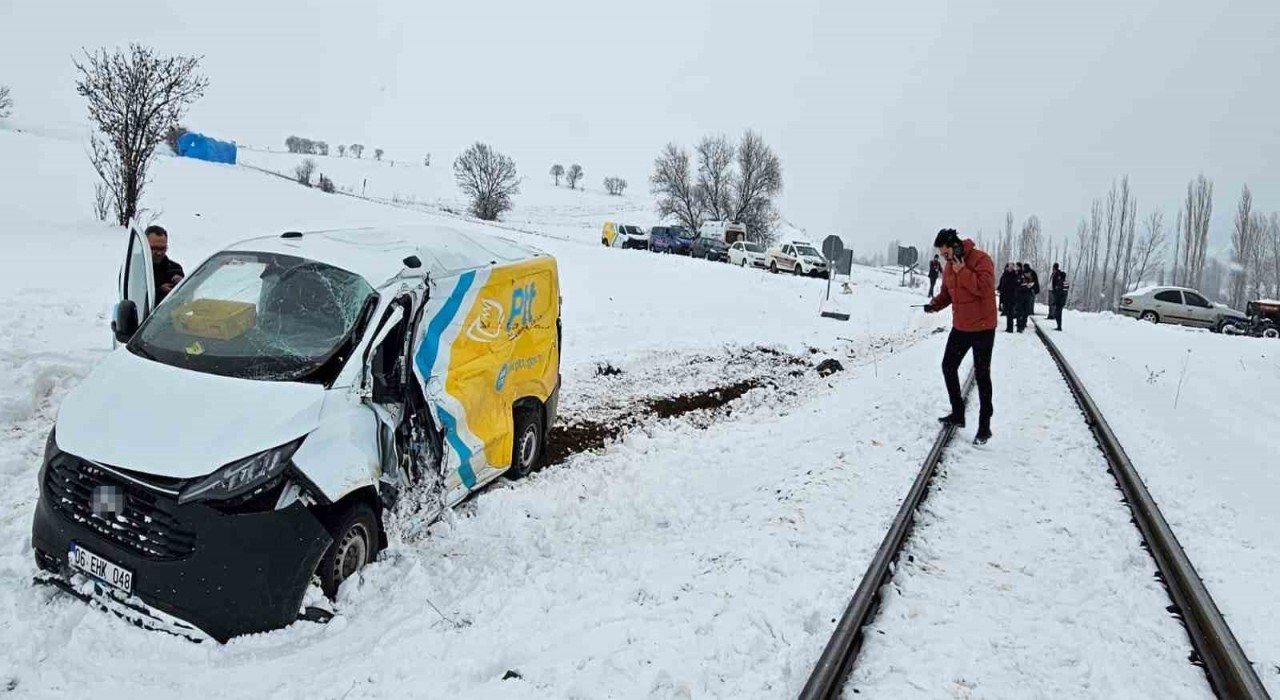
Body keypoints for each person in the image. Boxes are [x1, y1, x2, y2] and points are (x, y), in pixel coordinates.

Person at [924, 228, 997, 445]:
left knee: (982, 375)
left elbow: (984, 288)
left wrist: (963, 270)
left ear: (955, 246)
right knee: (948, 366)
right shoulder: (949, 267)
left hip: (983, 327)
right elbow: (948, 294)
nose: (945, 259)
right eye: (942, 255)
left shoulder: (981, 259)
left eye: (946, 253)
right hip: (961, 327)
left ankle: (984, 426)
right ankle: (958, 413)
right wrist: (935, 305)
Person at [147, 225, 185, 304]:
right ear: (145, 246)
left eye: (162, 249)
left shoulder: (175, 268)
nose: (159, 253)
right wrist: (159, 292)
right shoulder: (133, 267)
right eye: (154, 248)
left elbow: (186, 298)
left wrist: (181, 285)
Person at [997, 263, 1018, 333]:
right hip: (1005, 296)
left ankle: (1010, 328)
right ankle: (1008, 327)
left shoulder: (1014, 275)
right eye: (1009, 267)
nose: (1010, 269)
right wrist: (999, 288)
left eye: (1011, 267)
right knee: (1007, 313)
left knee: (1010, 313)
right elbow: (1001, 283)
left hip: (1012, 297)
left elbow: (1016, 286)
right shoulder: (1004, 275)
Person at [1015, 266, 1036, 332]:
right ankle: (1019, 326)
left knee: (1026, 311)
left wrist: (1031, 287)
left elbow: (1034, 286)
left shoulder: (1030, 278)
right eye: (1028, 273)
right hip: (1020, 297)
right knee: (1020, 312)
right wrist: (1026, 287)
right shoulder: (1021, 277)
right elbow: (1018, 287)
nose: (1029, 274)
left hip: (1028, 297)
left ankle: (1024, 324)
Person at [1049, 263, 1069, 331]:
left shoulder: (1060, 283)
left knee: (1058, 313)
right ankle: (1059, 326)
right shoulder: (1066, 282)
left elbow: (1059, 293)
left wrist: (1055, 301)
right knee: (1058, 313)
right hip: (1063, 300)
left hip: (1059, 300)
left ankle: (1059, 326)